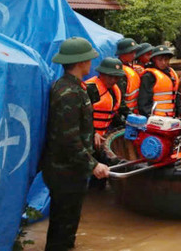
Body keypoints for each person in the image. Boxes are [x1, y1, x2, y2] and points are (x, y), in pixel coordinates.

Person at [41, 37, 109, 251]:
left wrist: (93, 135)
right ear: (81, 62)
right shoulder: (68, 93)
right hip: (65, 172)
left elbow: (76, 128)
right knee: (62, 228)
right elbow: (68, 139)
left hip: (71, 170)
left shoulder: (73, 87)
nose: (91, 63)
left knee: (67, 226)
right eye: (89, 59)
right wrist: (93, 165)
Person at [85, 57, 125, 144]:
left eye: (116, 77)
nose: (113, 80)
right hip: (88, 138)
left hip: (102, 138)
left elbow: (112, 114)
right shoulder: (90, 89)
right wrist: (93, 133)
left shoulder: (115, 90)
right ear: (101, 73)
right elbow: (81, 117)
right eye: (110, 76)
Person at [137, 45, 180, 117]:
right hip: (156, 119)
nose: (163, 63)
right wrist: (150, 117)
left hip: (171, 117)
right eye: (160, 60)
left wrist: (180, 112)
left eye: (166, 59)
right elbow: (143, 102)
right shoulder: (149, 76)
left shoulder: (171, 74)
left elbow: (176, 96)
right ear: (154, 60)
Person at [115, 38, 141, 115]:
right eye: (131, 52)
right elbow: (119, 98)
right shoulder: (119, 71)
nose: (134, 55)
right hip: (124, 114)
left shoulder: (130, 67)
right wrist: (129, 114)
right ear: (122, 53)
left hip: (132, 112)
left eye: (134, 52)